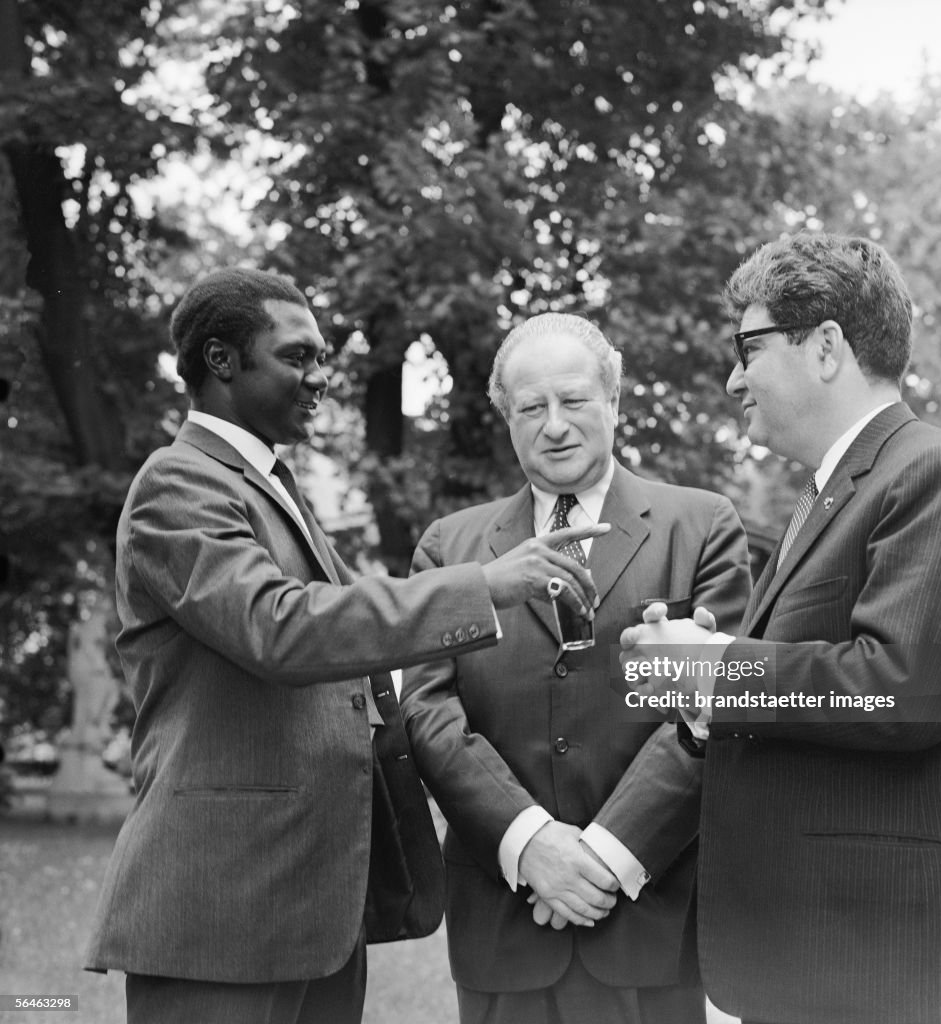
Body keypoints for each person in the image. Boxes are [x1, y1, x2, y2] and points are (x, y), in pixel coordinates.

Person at [84, 269, 608, 1024]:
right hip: (222, 911)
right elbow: (282, 627)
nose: (321, 377)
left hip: (311, 915)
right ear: (223, 360)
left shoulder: (270, 484)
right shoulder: (179, 483)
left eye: (322, 356)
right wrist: (481, 587)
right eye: (297, 356)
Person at [620, 234, 941, 1024]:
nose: (735, 377)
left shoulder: (939, 472)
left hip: (887, 966)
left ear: (828, 345)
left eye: (750, 347)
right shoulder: (825, 495)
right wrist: (687, 676)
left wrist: (721, 668)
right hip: (812, 958)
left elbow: (906, 694)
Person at [400, 313, 751, 1024]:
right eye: (531, 408)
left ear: (614, 403)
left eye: (575, 401)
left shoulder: (703, 525)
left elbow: (716, 712)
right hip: (503, 924)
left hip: (649, 920)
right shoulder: (449, 548)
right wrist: (529, 844)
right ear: (507, 419)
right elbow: (430, 714)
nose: (554, 425)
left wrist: (603, 855)